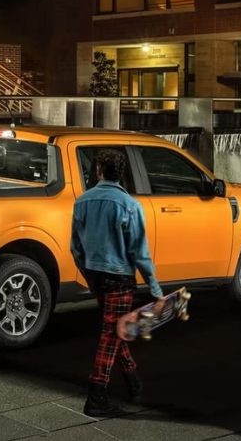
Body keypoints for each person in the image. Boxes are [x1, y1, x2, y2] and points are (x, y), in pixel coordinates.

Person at [70, 149, 166, 417]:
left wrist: (88, 275)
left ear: (99, 170)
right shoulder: (130, 206)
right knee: (111, 334)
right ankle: (96, 397)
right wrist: (156, 291)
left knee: (116, 329)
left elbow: (75, 247)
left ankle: (134, 381)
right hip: (119, 278)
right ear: (121, 172)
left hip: (96, 275)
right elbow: (140, 253)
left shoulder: (82, 202)